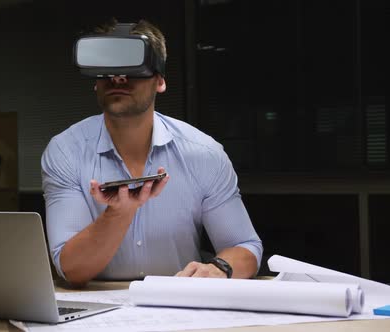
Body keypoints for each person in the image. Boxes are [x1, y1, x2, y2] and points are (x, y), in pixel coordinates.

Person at [41, 19, 262, 286]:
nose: (118, 78)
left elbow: (245, 246)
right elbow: (71, 268)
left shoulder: (204, 154)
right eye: (108, 68)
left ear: (159, 81)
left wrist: (219, 269)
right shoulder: (65, 151)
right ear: (95, 81)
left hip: (179, 302)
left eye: (132, 68)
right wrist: (119, 213)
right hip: (94, 309)